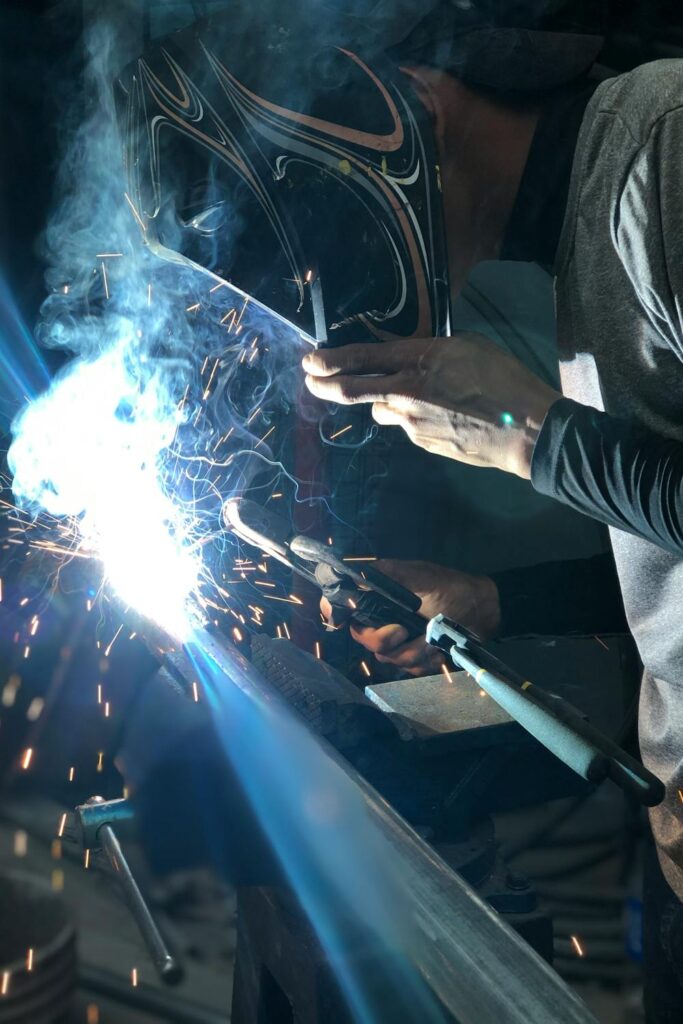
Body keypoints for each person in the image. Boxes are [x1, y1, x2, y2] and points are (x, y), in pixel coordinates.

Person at [303, 58, 683, 1022]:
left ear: (418, 101)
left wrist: (534, 441)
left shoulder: (665, 158)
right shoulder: (584, 231)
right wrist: (494, 600)